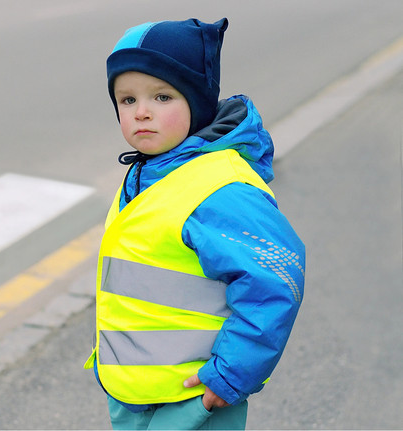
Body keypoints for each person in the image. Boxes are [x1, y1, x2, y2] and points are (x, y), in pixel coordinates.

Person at [84, 18, 306, 430]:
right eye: (127, 100)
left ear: (198, 102)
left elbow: (276, 280)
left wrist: (232, 374)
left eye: (163, 96)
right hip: (134, 395)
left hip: (192, 397)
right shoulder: (147, 172)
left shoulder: (219, 189)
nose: (142, 112)